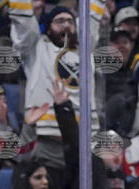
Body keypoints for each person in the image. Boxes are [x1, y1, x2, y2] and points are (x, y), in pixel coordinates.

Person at [10, 3, 103, 169]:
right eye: (60, 21)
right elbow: (23, 24)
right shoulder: (35, 48)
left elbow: (93, 13)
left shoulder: (85, 47)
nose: (66, 25)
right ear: (48, 28)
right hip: (45, 144)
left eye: (70, 21)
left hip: (82, 144)